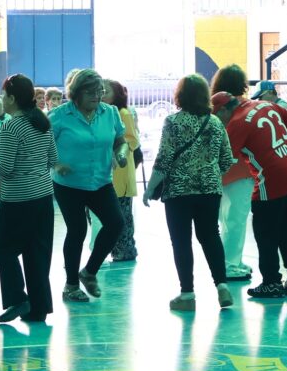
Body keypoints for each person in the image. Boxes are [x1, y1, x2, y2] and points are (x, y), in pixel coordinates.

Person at [213, 86, 287, 299]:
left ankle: (271, 281)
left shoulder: (236, 124)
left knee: (265, 233)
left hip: (271, 181)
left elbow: (224, 162)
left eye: (218, 118)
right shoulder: (265, 105)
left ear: (223, 111)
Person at [143, 75, 235, 311]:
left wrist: (150, 187)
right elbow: (226, 159)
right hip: (209, 189)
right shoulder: (215, 122)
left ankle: (187, 294)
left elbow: (163, 159)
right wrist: (209, 172)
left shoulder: (173, 122)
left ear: (180, 95)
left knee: (181, 241)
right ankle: (222, 286)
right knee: (210, 236)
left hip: (179, 192)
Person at [50, 69, 127, 302]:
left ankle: (89, 272)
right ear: (76, 93)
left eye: (99, 91)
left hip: (100, 181)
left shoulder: (110, 113)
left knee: (116, 223)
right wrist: (56, 163)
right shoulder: (59, 116)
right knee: (78, 230)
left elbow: (120, 141)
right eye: (90, 92)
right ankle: (71, 285)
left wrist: (121, 154)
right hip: (69, 184)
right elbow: (42, 145)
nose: (96, 96)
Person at [0, 74, 57, 323]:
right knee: (37, 253)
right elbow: (53, 159)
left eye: (3, 94)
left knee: (4, 249)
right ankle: (38, 308)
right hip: (43, 197)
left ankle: (19, 300)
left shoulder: (10, 127)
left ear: (11, 98)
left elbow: (5, 168)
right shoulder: (42, 123)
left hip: (17, 201)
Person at [211, 66, 255, 282]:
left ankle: (233, 260)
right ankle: (229, 264)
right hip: (239, 168)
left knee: (226, 219)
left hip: (220, 171)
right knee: (236, 219)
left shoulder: (214, 104)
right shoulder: (241, 105)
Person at [103, 79, 139, 262]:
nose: (101, 94)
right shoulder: (104, 114)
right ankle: (118, 250)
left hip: (121, 172)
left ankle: (126, 250)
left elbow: (132, 140)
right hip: (109, 173)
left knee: (123, 214)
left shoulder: (122, 113)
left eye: (106, 91)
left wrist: (116, 149)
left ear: (116, 94)